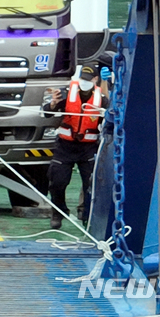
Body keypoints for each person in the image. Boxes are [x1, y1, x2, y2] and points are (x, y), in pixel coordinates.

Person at [44, 62, 109, 229]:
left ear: (95, 79)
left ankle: (86, 213)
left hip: (87, 148)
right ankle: (58, 212)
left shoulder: (101, 100)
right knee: (58, 182)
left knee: (91, 183)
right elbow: (47, 112)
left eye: (88, 79)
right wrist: (52, 104)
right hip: (65, 147)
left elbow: (108, 121)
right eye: (82, 78)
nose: (84, 82)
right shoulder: (66, 94)